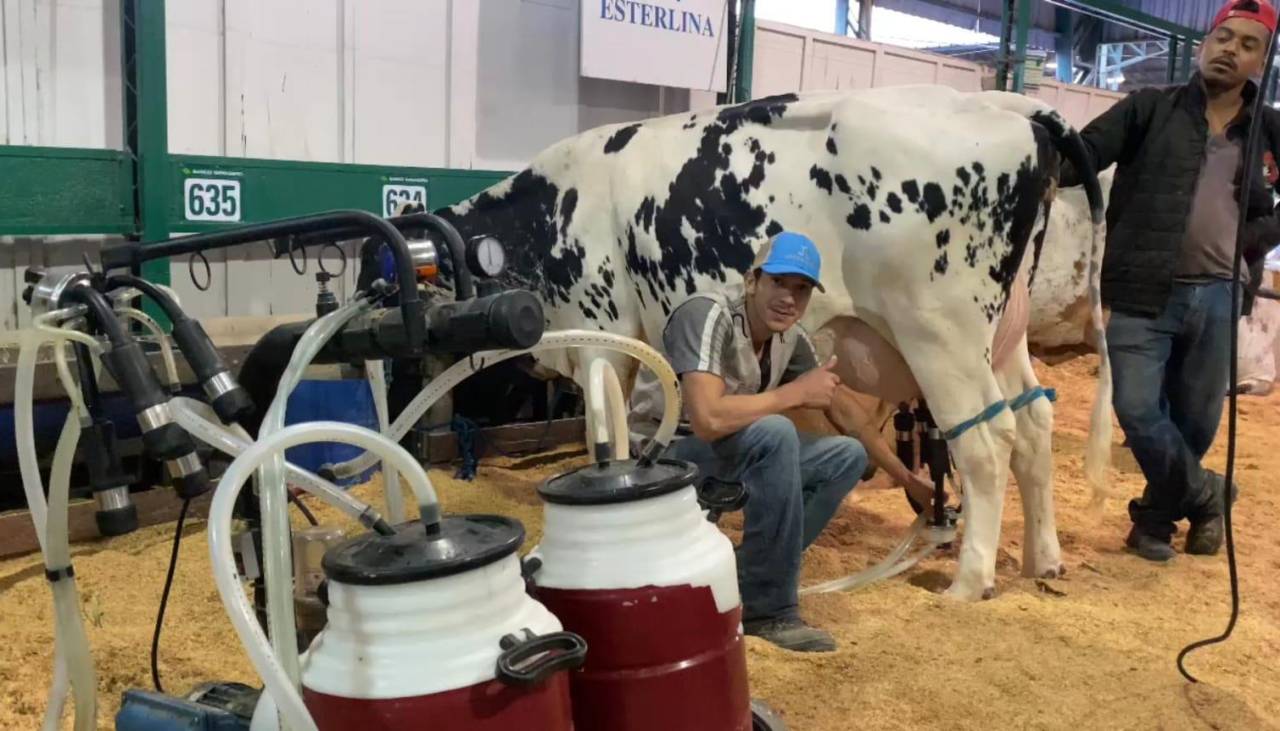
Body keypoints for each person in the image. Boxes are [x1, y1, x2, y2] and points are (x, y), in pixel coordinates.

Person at [629, 231, 934, 652]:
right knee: (775, 433)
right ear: (753, 280)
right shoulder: (706, 315)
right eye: (779, 282)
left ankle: (748, 575)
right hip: (662, 456)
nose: (789, 298)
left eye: (802, 289)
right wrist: (792, 395)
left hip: (724, 451)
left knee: (846, 455)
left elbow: (842, 408)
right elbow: (708, 419)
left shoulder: (788, 337)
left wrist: (905, 479)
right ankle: (767, 611)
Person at [1061, 0, 1280, 561]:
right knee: (1136, 409)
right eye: (1223, 37)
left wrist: (1253, 241)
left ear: (1262, 62)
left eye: (1247, 44)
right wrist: (1034, 146)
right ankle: (1209, 497)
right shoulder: (1148, 109)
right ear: (1207, 43)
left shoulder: (1269, 128)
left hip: (1221, 292)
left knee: (1196, 421)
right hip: (1142, 289)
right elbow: (1080, 157)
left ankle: (1155, 524)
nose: (1231, 49)